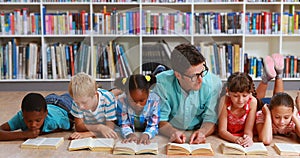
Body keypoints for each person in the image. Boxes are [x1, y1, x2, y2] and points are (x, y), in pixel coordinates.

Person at [152, 43, 222, 144]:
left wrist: (202, 132)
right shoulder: (160, 83)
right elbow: (160, 119)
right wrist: (172, 132)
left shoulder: (214, 84)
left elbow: (210, 119)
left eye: (203, 72)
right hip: (170, 132)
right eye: (194, 76)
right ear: (178, 75)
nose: (201, 80)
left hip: (199, 131)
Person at [256, 53, 300, 145]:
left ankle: (279, 74)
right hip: (266, 106)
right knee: (256, 103)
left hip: (279, 105)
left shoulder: (292, 118)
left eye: (286, 117)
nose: (282, 122)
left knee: (280, 98)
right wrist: (268, 114)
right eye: (277, 117)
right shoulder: (263, 115)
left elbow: (284, 110)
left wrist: (294, 117)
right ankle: (267, 78)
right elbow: (266, 140)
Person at [0, 92, 73, 141]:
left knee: (71, 96)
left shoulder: (54, 119)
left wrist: (42, 132)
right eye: (29, 121)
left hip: (64, 105)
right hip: (47, 100)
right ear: (23, 114)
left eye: (38, 120)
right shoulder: (21, 117)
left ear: (46, 114)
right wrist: (23, 134)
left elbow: (70, 124)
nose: (33, 125)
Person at [68, 72, 118, 139]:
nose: (80, 107)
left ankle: (119, 90)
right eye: (77, 103)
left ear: (95, 94)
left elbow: (109, 128)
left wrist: (89, 133)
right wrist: (99, 127)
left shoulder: (108, 98)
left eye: (84, 102)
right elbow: (78, 126)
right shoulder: (78, 100)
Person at [115, 74, 160, 145]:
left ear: (148, 94)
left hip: (145, 131)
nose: (138, 105)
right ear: (126, 94)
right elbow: (123, 124)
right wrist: (129, 134)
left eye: (142, 100)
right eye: (133, 101)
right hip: (130, 131)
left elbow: (154, 125)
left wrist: (147, 134)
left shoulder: (154, 100)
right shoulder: (121, 100)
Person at [218, 72, 258, 147]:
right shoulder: (224, 101)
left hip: (243, 133)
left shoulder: (252, 102)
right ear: (228, 92)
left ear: (250, 93)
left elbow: (248, 130)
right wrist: (235, 139)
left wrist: (248, 139)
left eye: (244, 95)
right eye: (236, 96)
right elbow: (222, 130)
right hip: (229, 134)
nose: (240, 100)